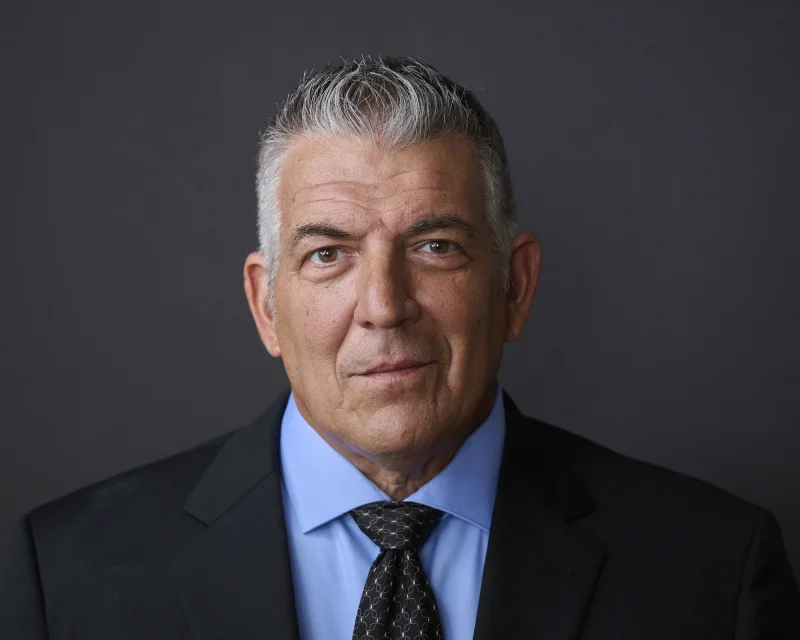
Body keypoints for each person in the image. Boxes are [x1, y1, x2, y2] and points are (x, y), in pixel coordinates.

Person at [1, 55, 798, 640]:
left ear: (514, 287)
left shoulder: (712, 571)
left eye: (436, 246)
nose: (384, 307)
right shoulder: (63, 576)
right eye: (328, 254)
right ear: (265, 304)